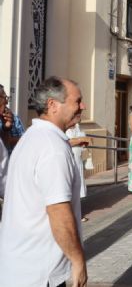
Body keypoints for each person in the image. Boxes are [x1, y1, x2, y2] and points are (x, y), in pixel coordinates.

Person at [0, 77, 87, 287]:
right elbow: (58, 211)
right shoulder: (52, 147)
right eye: (77, 101)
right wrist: (78, 261)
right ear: (52, 105)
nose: (82, 106)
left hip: (19, 266)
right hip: (40, 272)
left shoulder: (32, 137)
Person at [66, 123, 92, 221]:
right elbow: (67, 142)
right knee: (70, 185)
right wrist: (82, 140)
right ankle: (71, 214)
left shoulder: (77, 126)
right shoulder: (64, 126)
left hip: (78, 159)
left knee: (77, 185)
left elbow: (80, 139)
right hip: (69, 159)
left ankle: (78, 213)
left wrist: (85, 142)